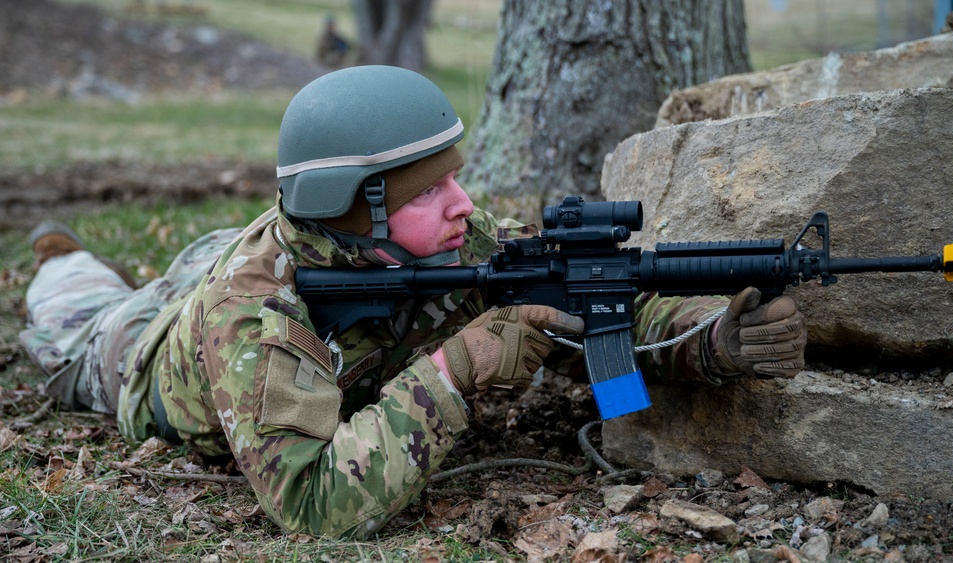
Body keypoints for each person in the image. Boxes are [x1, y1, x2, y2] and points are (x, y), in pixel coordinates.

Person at [20, 65, 806, 537]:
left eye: (456, 177)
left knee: (203, 261)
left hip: (267, 257)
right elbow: (313, 506)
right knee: (78, 311)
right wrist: (457, 366)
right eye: (432, 189)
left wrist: (711, 340)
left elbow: (600, 303)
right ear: (360, 207)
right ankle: (67, 258)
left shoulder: (446, 235)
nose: (465, 203)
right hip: (141, 352)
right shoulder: (254, 316)